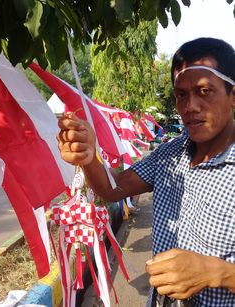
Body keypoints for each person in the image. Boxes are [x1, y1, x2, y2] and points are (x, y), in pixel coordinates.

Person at [57, 37, 235, 306]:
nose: (190, 107)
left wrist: (219, 273)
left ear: (233, 96)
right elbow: (113, 188)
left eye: (204, 91)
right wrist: (88, 156)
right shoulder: (169, 154)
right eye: (181, 95)